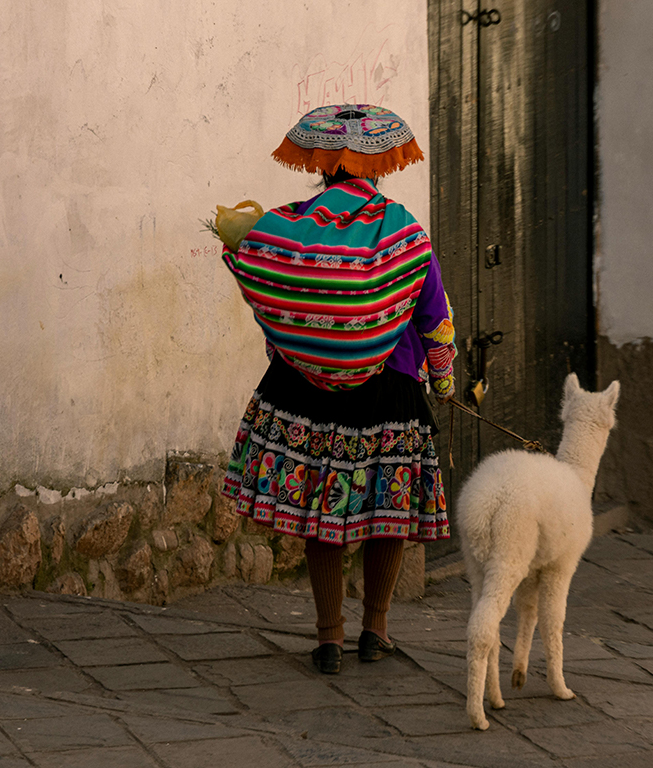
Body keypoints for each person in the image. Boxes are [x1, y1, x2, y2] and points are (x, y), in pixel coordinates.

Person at [218, 104, 456, 674]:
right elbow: (434, 316)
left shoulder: (290, 224)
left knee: (321, 511)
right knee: (385, 511)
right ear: (378, 165)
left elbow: (275, 298)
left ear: (321, 165)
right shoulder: (402, 229)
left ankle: (329, 639)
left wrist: (301, 347)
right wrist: (444, 379)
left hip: (303, 395)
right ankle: (375, 629)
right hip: (392, 392)